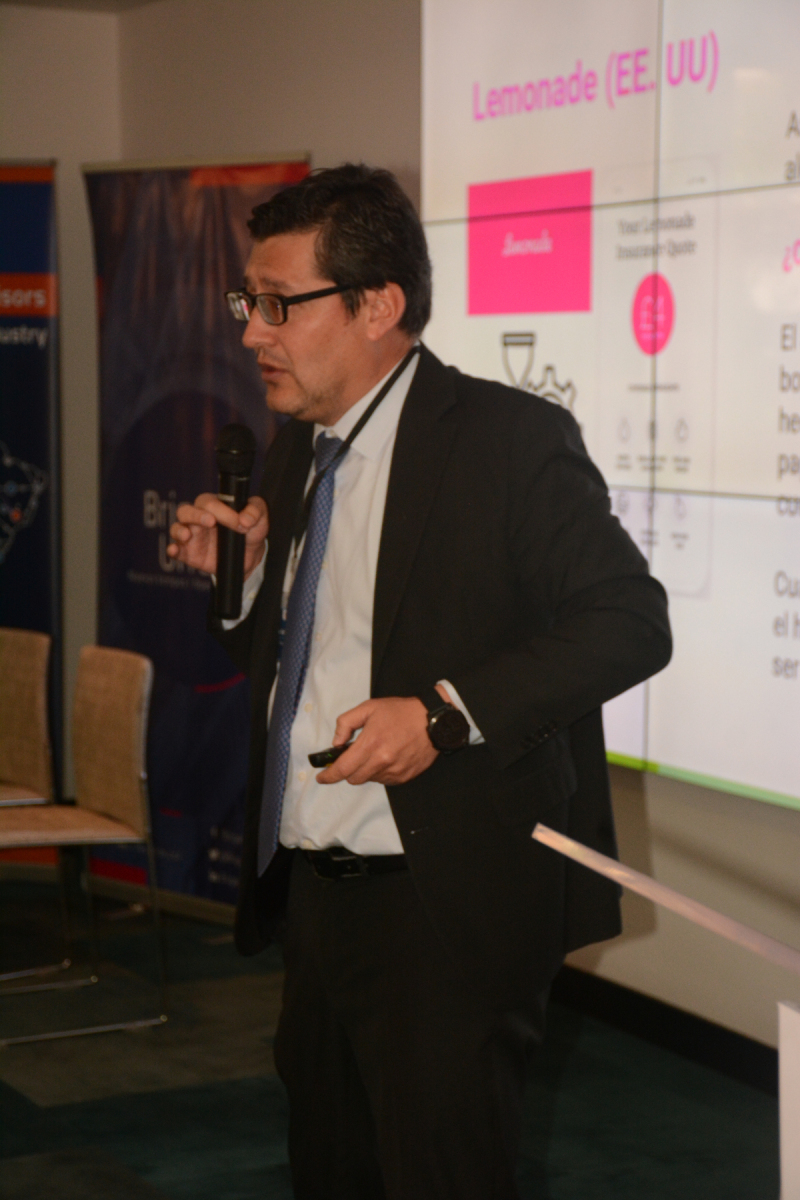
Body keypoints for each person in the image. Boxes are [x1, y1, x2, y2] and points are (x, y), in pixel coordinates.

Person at [168, 164, 672, 1200]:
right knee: (330, 1173)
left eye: (278, 303)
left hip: (445, 907)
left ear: (376, 305)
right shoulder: (294, 451)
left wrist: (443, 717)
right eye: (246, 301)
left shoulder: (504, 441)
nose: (253, 331)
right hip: (317, 894)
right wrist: (246, 585)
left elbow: (629, 622)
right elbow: (297, 670)